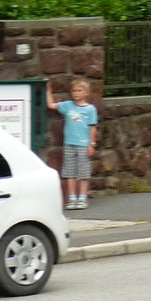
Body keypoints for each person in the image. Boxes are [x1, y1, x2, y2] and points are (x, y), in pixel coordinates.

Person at [48, 79, 99, 210]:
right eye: (74, 90)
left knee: (83, 172)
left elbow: (92, 127)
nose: (76, 93)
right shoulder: (68, 105)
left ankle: (82, 197)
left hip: (83, 144)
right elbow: (51, 105)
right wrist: (48, 90)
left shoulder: (90, 109)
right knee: (70, 172)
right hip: (69, 143)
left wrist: (91, 144)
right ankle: (72, 198)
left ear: (86, 93)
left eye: (79, 90)